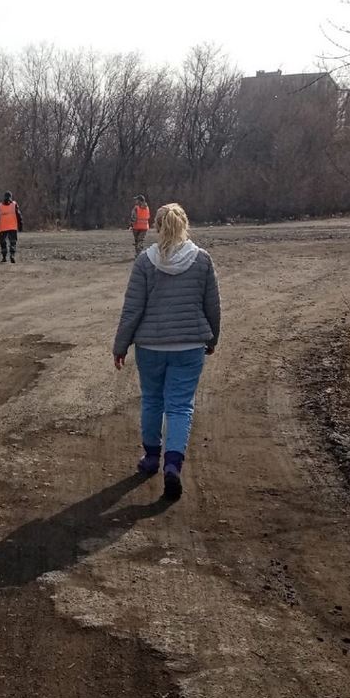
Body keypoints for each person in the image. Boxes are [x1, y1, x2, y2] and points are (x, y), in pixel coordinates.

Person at [111, 202, 220, 502]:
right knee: (180, 407)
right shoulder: (202, 260)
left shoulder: (145, 261)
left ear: (157, 227)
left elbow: (132, 309)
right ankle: (173, 465)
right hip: (189, 345)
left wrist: (121, 345)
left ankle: (150, 458)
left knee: (152, 401)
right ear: (185, 224)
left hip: (150, 346)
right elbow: (212, 306)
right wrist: (212, 338)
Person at [0, 190, 23, 263]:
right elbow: (19, 215)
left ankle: (4, 257)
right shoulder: (14, 205)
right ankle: (12, 255)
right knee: (13, 242)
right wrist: (20, 225)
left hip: (3, 228)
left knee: (3, 243)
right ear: (11, 197)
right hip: (12, 227)